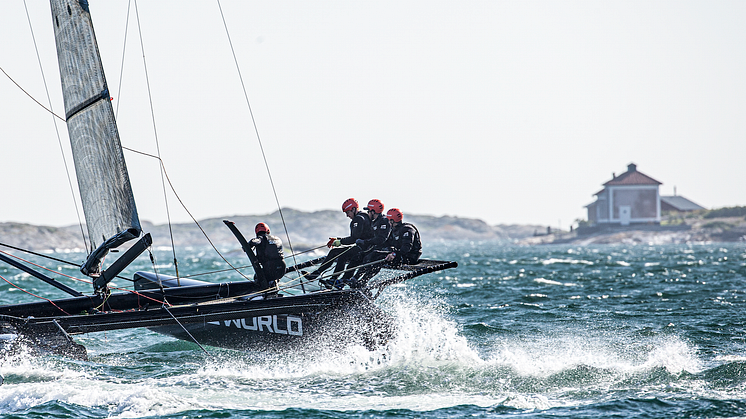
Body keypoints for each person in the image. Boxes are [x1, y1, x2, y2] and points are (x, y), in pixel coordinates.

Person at [305, 198, 373, 287]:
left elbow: (353, 239)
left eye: (347, 212)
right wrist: (338, 239)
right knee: (339, 254)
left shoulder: (358, 219)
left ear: (353, 209)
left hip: (363, 249)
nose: (347, 215)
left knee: (336, 253)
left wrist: (339, 242)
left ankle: (322, 276)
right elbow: (357, 237)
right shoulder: (364, 217)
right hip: (366, 247)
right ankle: (332, 279)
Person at [353, 207, 422, 286]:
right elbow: (388, 244)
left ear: (392, 221)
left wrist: (394, 254)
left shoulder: (408, 229)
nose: (388, 222)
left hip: (410, 257)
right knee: (374, 254)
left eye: (389, 220)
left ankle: (363, 281)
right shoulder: (394, 230)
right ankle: (356, 279)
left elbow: (406, 248)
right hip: (399, 254)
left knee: (379, 259)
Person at [247, 223, 286, 293]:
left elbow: (254, 241)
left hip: (270, 268)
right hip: (282, 268)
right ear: (268, 231)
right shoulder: (277, 238)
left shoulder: (261, 238)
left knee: (257, 277)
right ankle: (274, 288)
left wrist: (248, 245)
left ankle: (263, 296)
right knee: (273, 279)